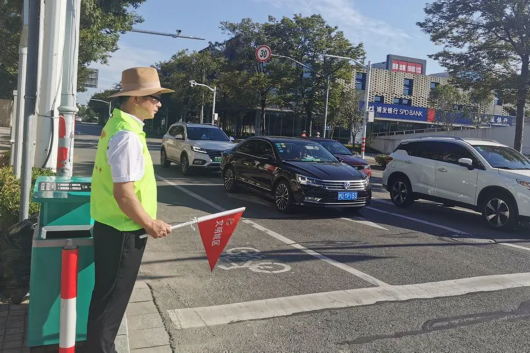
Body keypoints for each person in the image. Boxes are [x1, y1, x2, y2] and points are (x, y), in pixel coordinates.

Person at [85, 67, 174, 353]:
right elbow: (124, 194)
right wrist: (150, 223)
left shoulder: (118, 125)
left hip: (111, 227)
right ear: (135, 98)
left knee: (105, 298)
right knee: (111, 303)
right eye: (154, 97)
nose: (158, 104)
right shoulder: (127, 136)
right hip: (124, 232)